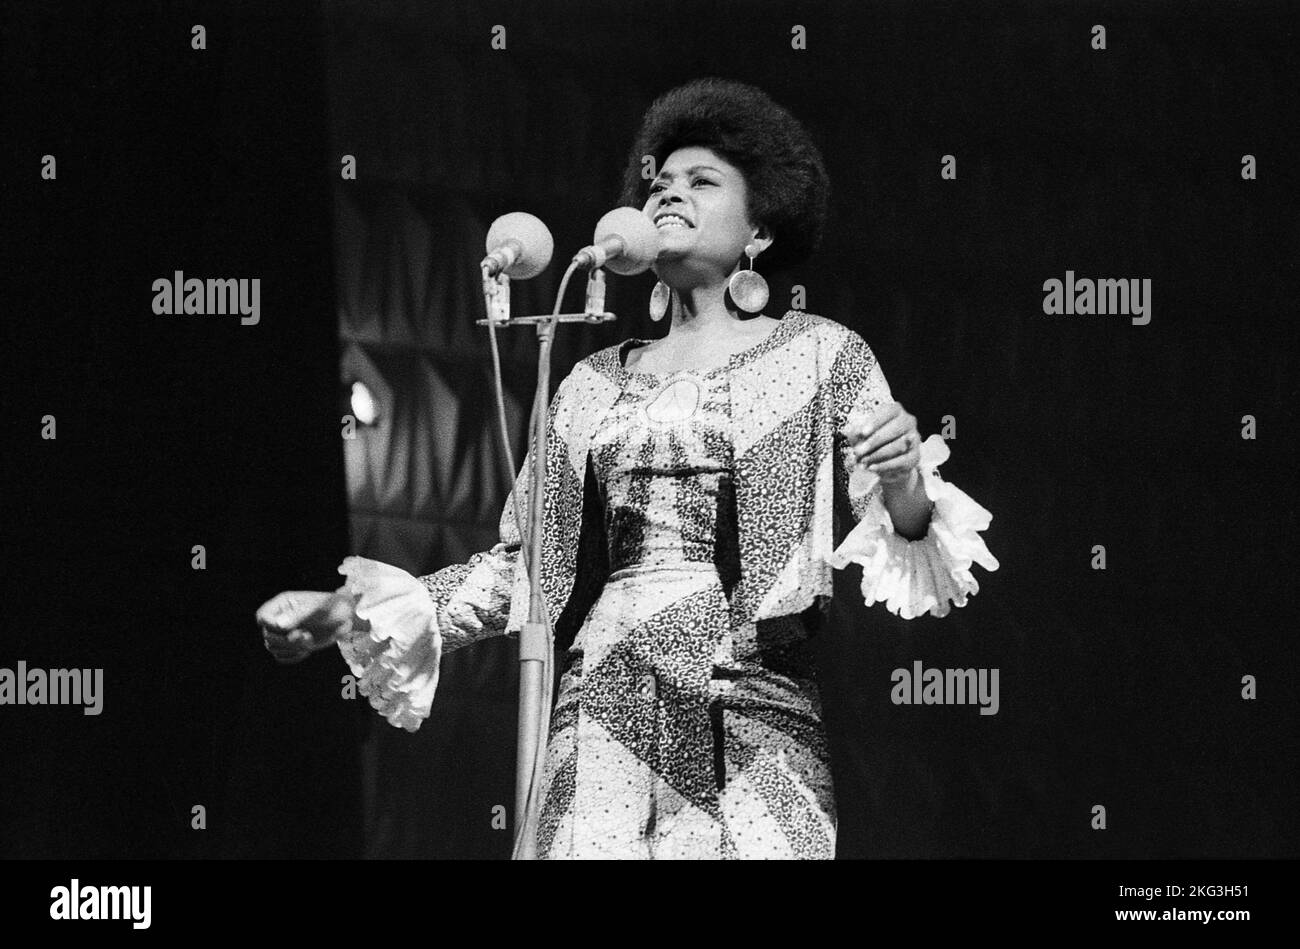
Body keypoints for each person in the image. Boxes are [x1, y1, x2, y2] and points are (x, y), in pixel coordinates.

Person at [257, 78, 998, 859]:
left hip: (751, 720)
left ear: (759, 230)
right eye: (661, 183)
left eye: (702, 182)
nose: (670, 193)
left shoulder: (821, 353)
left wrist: (905, 475)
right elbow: (525, 568)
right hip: (600, 711)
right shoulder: (592, 382)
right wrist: (351, 613)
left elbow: (905, 529)